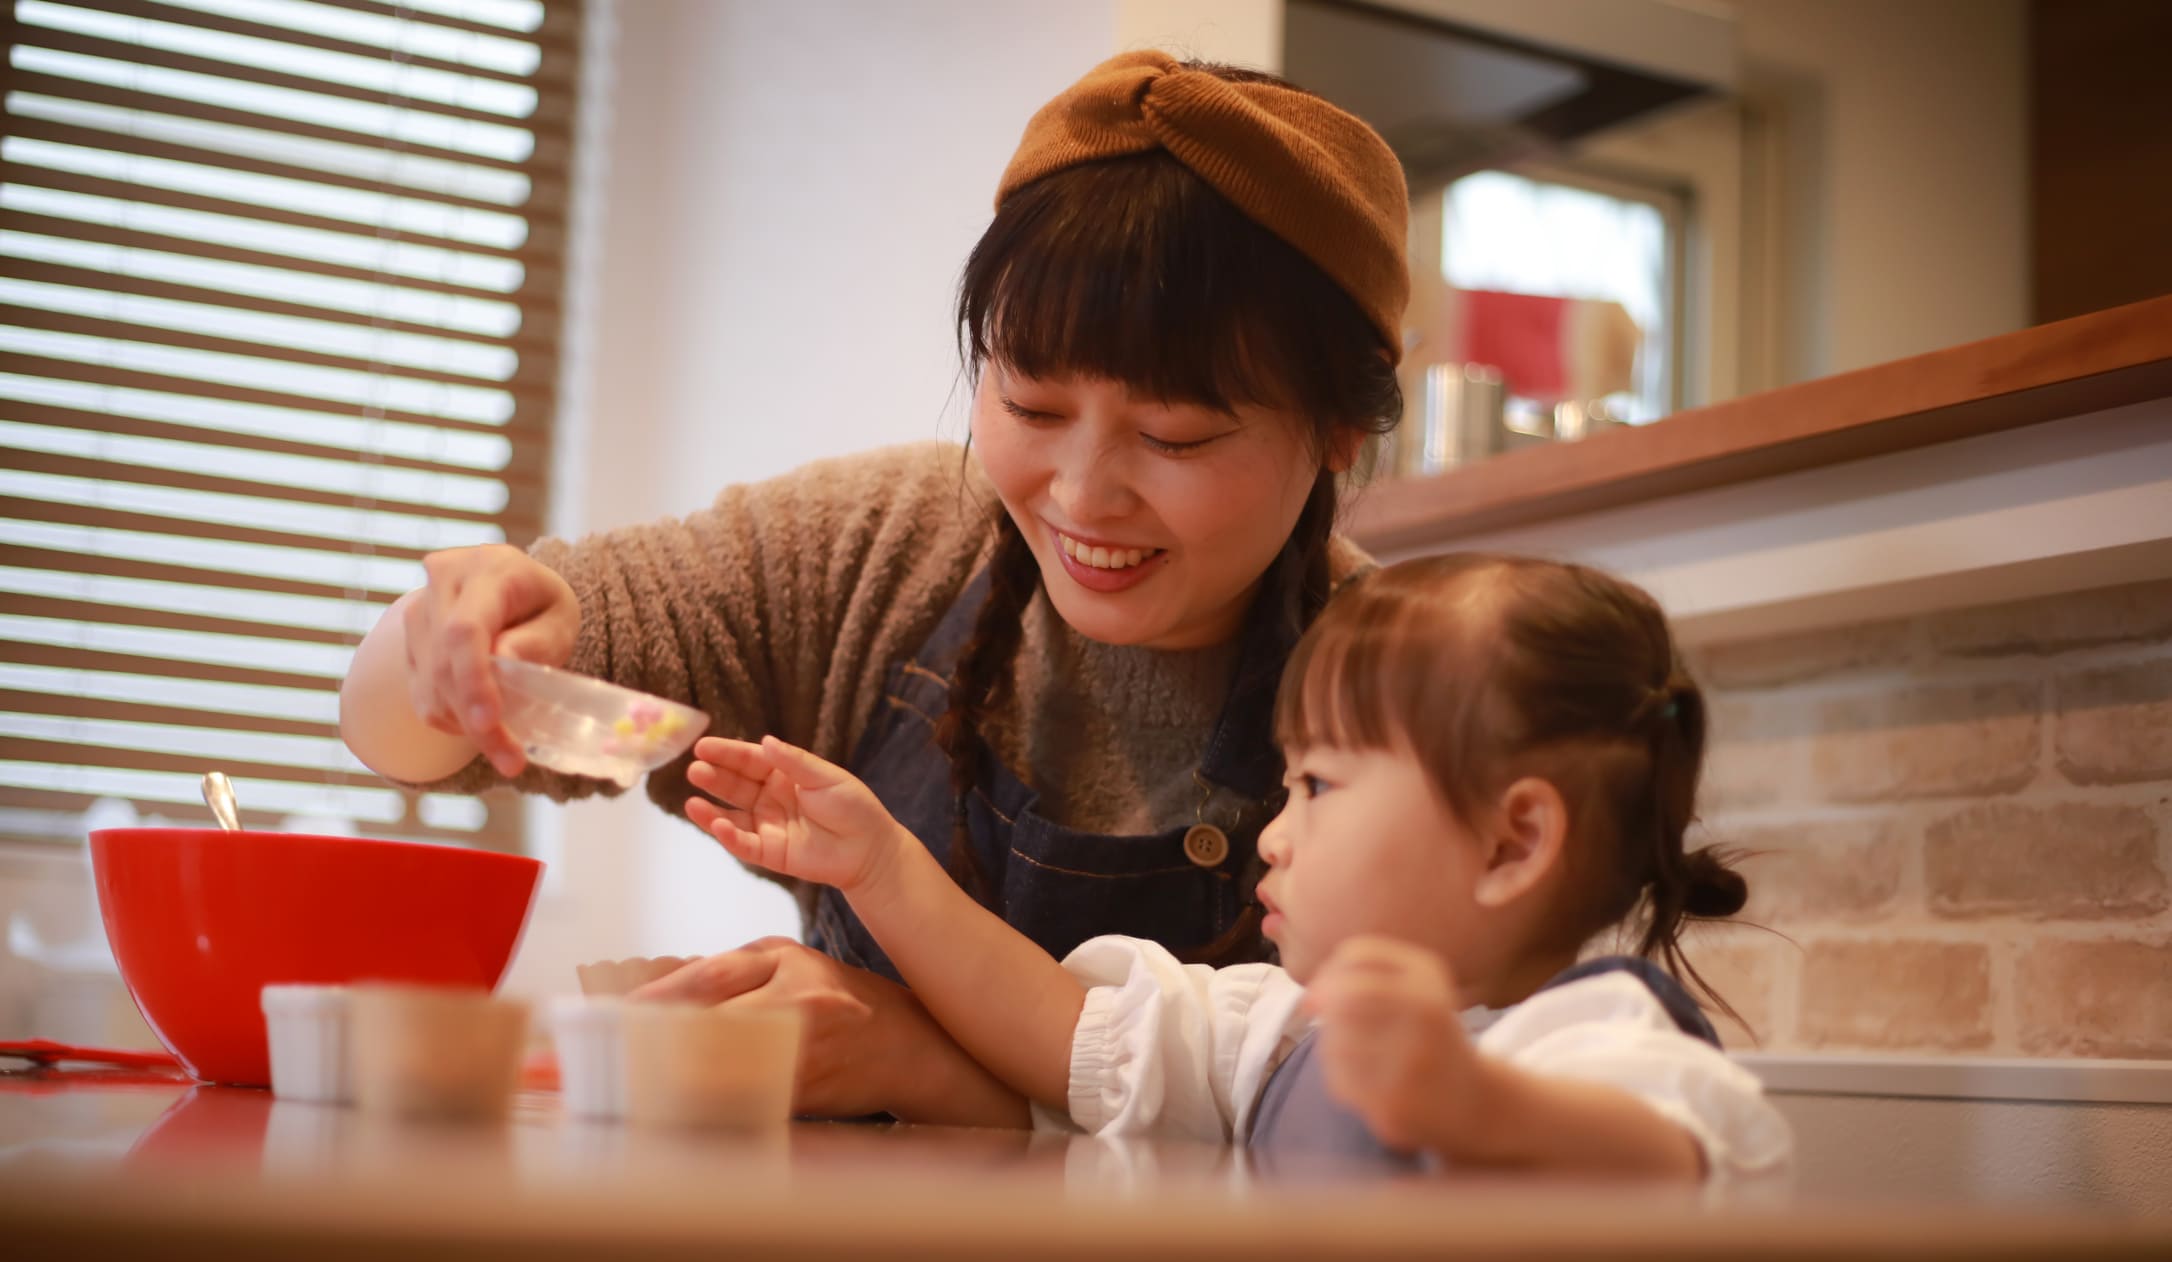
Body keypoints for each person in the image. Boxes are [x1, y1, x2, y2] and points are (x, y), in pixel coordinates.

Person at [339, 52, 1407, 1125]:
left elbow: (1377, 1137)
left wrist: (941, 1076)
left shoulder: (1416, 693)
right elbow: (413, 734)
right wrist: (451, 648)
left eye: (1175, 435)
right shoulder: (880, 547)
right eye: (1031, 406)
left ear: (1335, 431)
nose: (1084, 494)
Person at [684, 553, 1791, 1262]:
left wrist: (1472, 1106)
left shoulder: (1594, 1039)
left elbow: (1673, 1163)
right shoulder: (1286, 1025)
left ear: (1514, 840)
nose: (1274, 826)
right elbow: (1057, 1025)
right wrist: (882, 867)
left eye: (1318, 783)